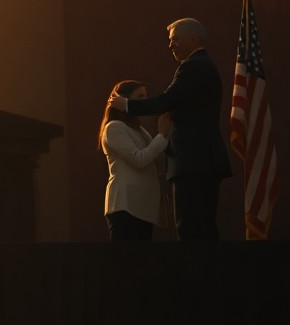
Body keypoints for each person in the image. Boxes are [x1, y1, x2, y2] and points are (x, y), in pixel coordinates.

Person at [108, 18, 232, 241]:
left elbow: (167, 101)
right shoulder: (204, 65)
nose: (170, 45)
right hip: (203, 160)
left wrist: (127, 105)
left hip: (194, 161)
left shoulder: (193, 66)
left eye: (175, 39)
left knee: (191, 229)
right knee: (202, 227)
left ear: (194, 39)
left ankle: (199, 275)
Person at [99, 80, 172, 241]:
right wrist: (161, 136)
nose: (144, 100)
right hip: (126, 206)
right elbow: (140, 160)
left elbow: (157, 165)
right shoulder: (114, 127)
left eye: (145, 96)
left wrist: (166, 139)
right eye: (139, 96)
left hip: (144, 206)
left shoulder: (140, 130)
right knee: (126, 259)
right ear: (124, 100)